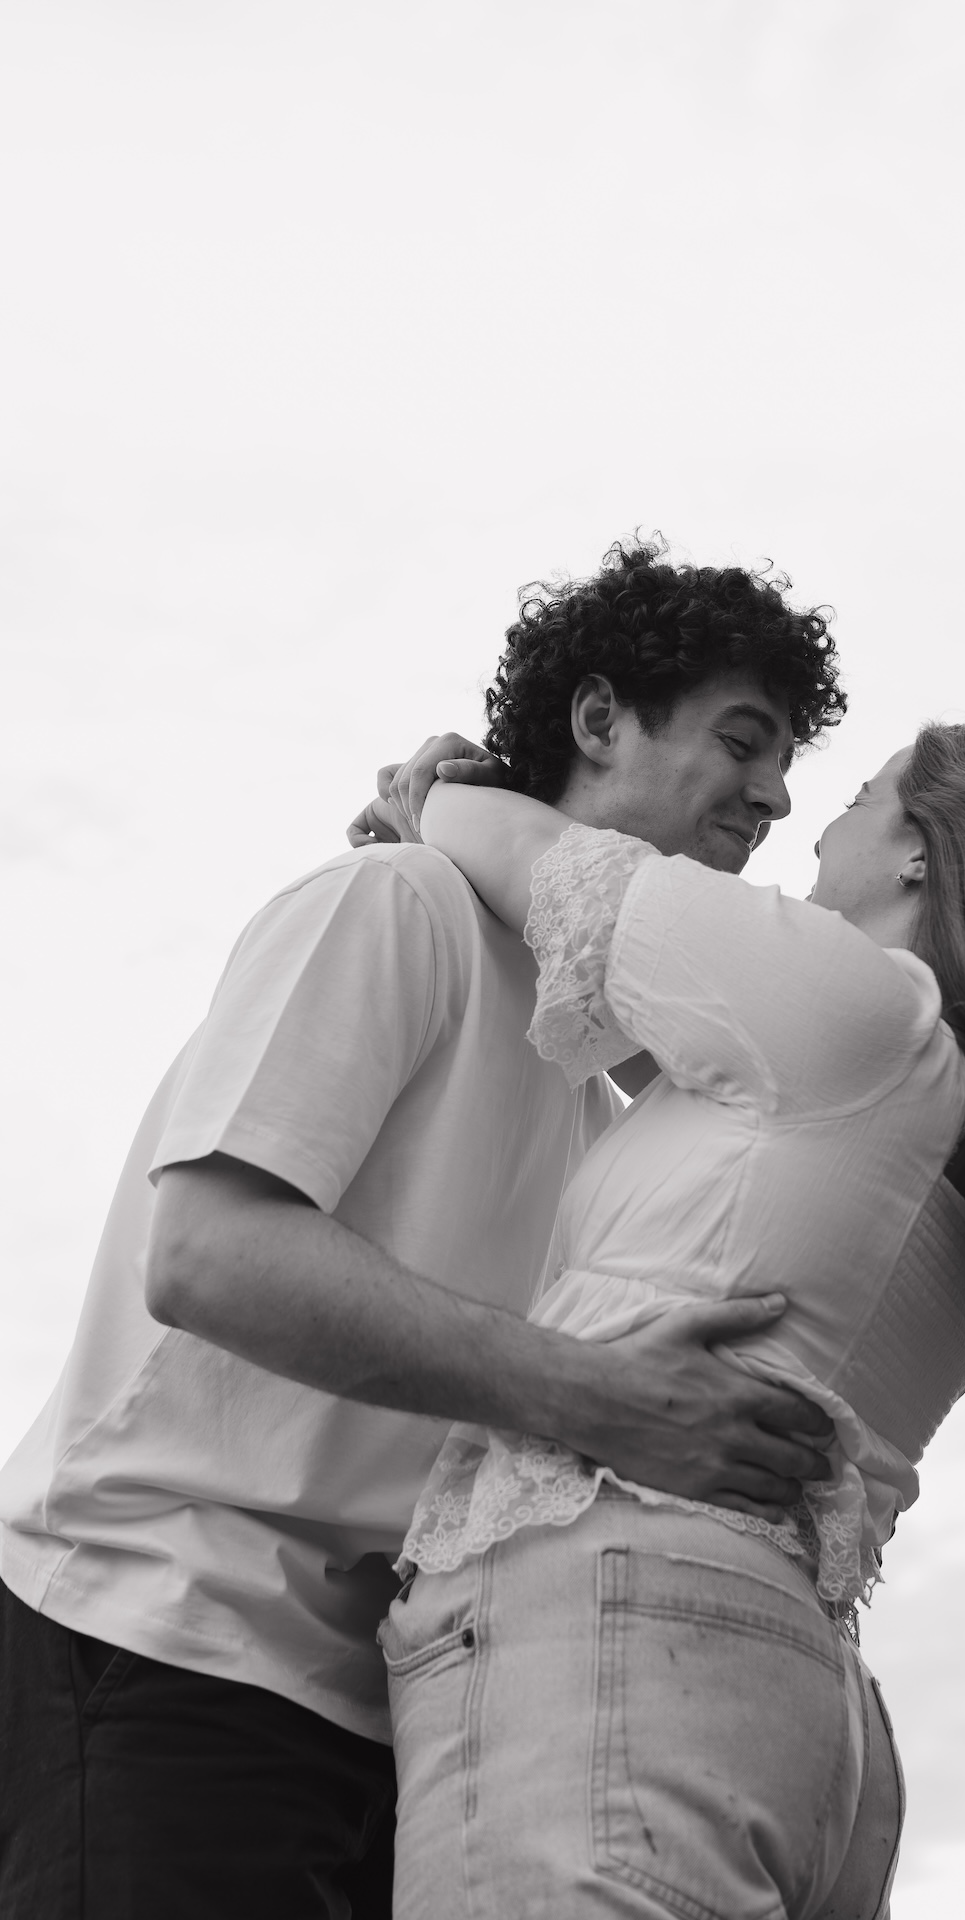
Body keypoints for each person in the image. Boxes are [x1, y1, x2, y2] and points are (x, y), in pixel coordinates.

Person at [0, 539, 847, 1920]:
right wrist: (601, 1399)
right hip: (160, 1641)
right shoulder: (390, 905)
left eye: (786, 762)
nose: (775, 792)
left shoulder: (596, 1084)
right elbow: (208, 1254)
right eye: (742, 738)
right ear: (597, 719)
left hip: (371, 1721)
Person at [370, 724, 965, 1920]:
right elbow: (655, 1050)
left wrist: (428, 794)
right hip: (792, 1712)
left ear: (921, 857)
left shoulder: (857, 1013)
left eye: (857, 797)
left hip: (615, 1659)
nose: (808, 817)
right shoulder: (958, 1142)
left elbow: (539, 856)